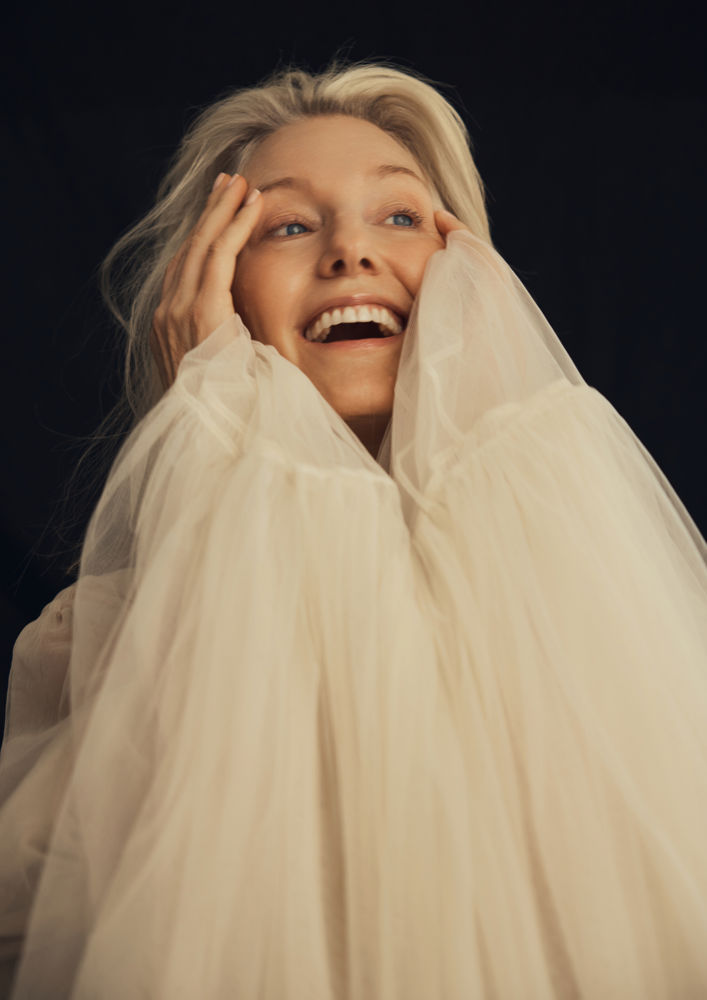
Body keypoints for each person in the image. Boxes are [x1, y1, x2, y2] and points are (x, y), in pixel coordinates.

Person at [1, 60, 706, 999]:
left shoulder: (598, 593)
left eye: (401, 216)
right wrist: (214, 442)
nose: (350, 252)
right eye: (289, 226)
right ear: (213, 289)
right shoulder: (98, 637)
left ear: (472, 272)